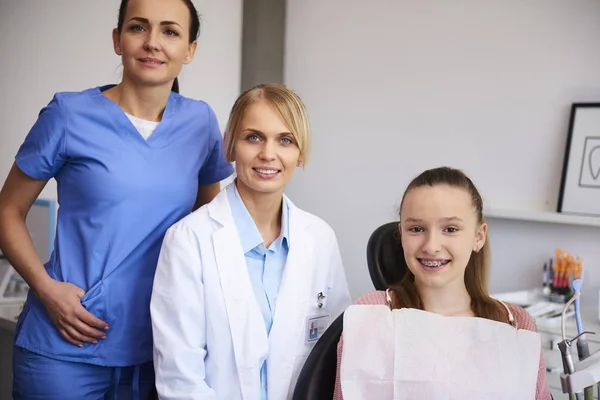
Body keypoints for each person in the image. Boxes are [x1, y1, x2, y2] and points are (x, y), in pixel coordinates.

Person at [0, 0, 233, 398]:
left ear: (190, 50)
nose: (152, 43)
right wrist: (45, 287)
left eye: (170, 32)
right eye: (138, 27)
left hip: (157, 350)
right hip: (65, 346)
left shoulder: (200, 123)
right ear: (118, 39)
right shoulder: (68, 114)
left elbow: (208, 223)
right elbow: (8, 210)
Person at [150, 83, 352, 400]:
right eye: (253, 137)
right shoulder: (188, 240)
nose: (268, 154)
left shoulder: (320, 239)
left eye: (285, 140)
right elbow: (179, 378)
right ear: (231, 147)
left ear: (300, 154)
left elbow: (334, 357)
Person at [332, 167, 551, 399]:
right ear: (402, 235)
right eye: (416, 229)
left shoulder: (515, 324)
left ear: (478, 236)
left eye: (450, 229)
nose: (431, 245)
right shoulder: (372, 314)